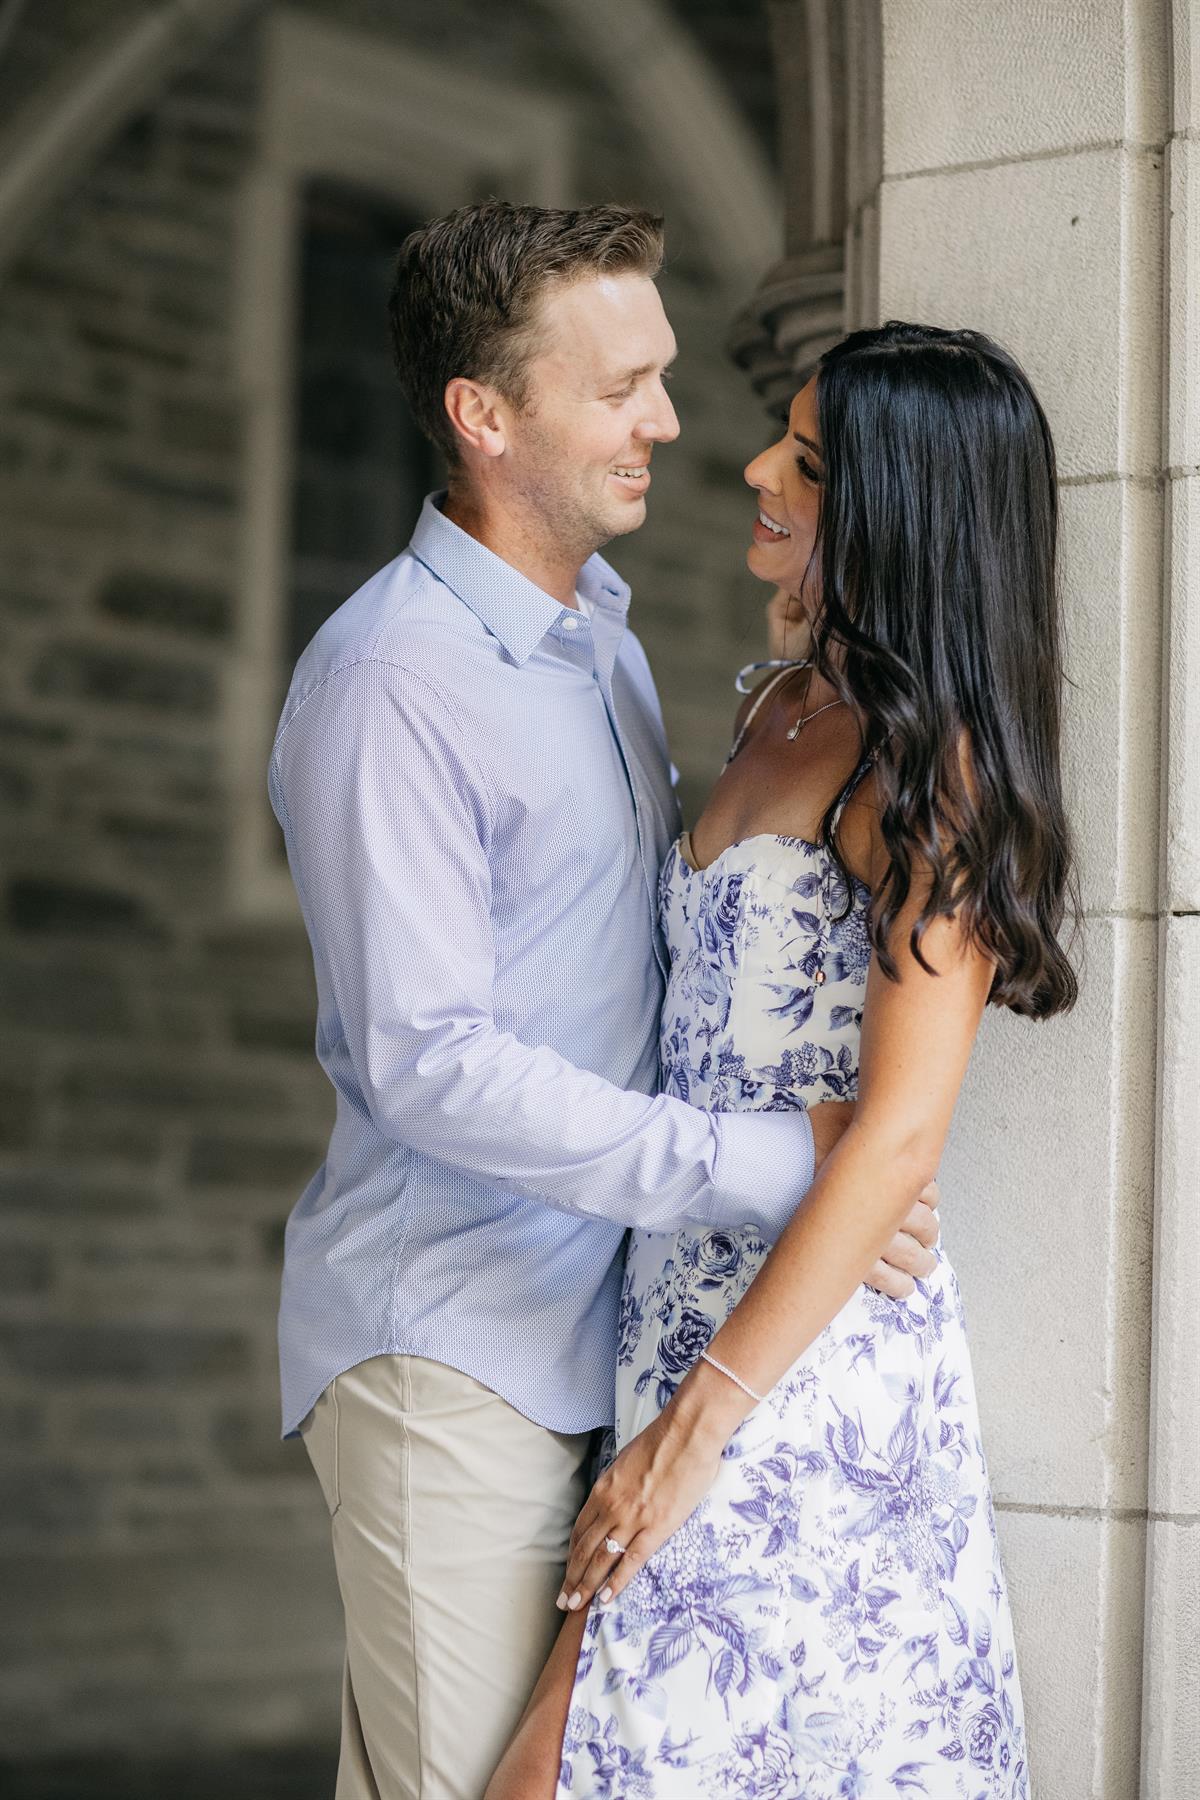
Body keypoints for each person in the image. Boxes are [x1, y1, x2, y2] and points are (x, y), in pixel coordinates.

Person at [270, 203, 941, 1800]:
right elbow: (430, 1064)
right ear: (485, 417)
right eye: (620, 387)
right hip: (460, 1351)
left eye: (662, 374)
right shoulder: (393, 678)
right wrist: (775, 1163)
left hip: (607, 1342)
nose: (670, 421)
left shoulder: (603, 644)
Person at [486, 323, 1078, 1800]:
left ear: (897, 512)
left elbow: (899, 1139)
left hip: (796, 1372)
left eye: (805, 463)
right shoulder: (778, 705)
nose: (754, 469)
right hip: (667, 1316)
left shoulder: (929, 769)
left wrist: (692, 1434)